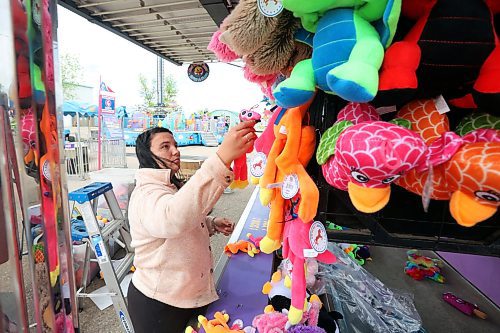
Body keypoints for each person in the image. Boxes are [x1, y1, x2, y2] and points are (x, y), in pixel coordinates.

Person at [127, 121, 257, 332]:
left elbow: (179, 217)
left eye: (175, 145)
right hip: (160, 305)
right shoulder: (146, 194)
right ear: (146, 155)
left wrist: (210, 224)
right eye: (165, 146)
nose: (175, 151)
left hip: (186, 297)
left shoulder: (167, 185)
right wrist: (221, 158)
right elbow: (171, 220)